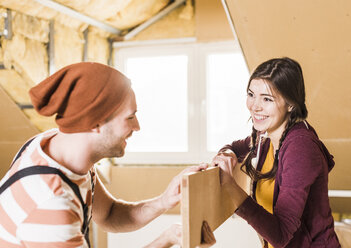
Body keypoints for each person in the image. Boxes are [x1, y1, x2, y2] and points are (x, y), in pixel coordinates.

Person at [0, 62, 210, 248]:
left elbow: (109, 214)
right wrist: (168, 239)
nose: (137, 127)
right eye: (130, 117)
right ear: (95, 122)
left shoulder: (57, 146)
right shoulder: (51, 206)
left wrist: (164, 201)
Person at [211, 57, 341, 247]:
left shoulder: (300, 148)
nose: (255, 106)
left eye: (267, 99)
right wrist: (227, 154)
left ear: (290, 104)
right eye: (251, 94)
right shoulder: (266, 136)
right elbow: (235, 147)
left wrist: (231, 188)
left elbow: (281, 234)